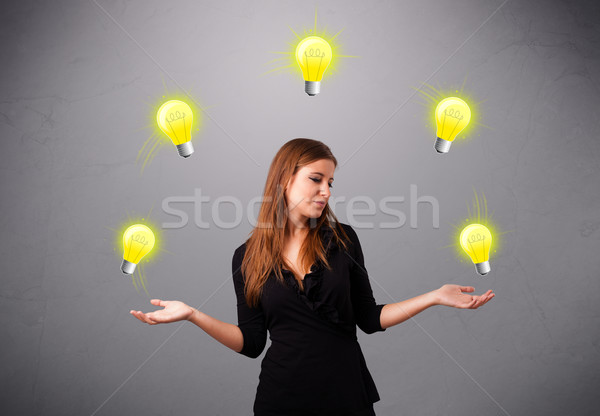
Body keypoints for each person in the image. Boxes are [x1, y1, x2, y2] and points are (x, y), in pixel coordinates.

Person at [131, 138, 495, 415]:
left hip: (347, 396)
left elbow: (368, 319)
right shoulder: (246, 258)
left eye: (331, 182)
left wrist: (434, 296)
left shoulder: (343, 240)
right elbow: (252, 343)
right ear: (285, 180)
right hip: (281, 399)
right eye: (316, 179)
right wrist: (193, 314)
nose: (326, 191)